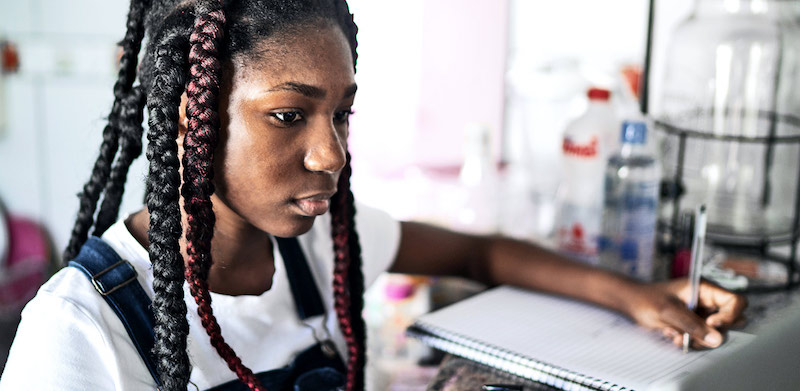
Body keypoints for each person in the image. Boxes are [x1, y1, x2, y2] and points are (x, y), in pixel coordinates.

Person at [0, 1, 746, 390]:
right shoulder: (79, 333)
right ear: (191, 117)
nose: (332, 153)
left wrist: (635, 295)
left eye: (341, 112)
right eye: (289, 115)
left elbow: (477, 248)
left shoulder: (318, 245)